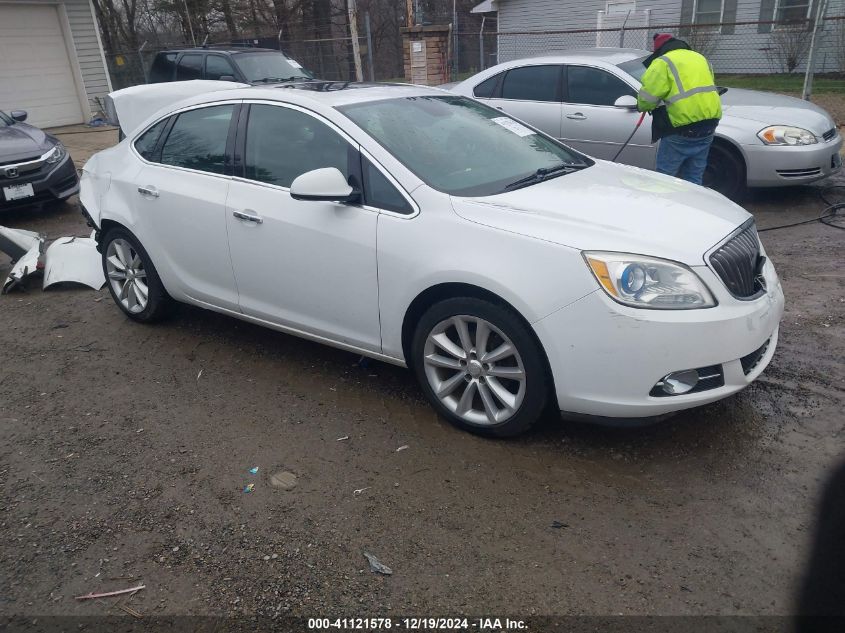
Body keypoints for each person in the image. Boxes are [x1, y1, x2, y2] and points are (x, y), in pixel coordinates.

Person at [636, 32, 722, 186]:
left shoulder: (662, 62)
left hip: (682, 129)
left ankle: (665, 207)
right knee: (694, 178)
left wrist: (641, 106)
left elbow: (647, 99)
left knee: (664, 179)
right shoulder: (699, 58)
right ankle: (693, 205)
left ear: (659, 50)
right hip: (709, 124)